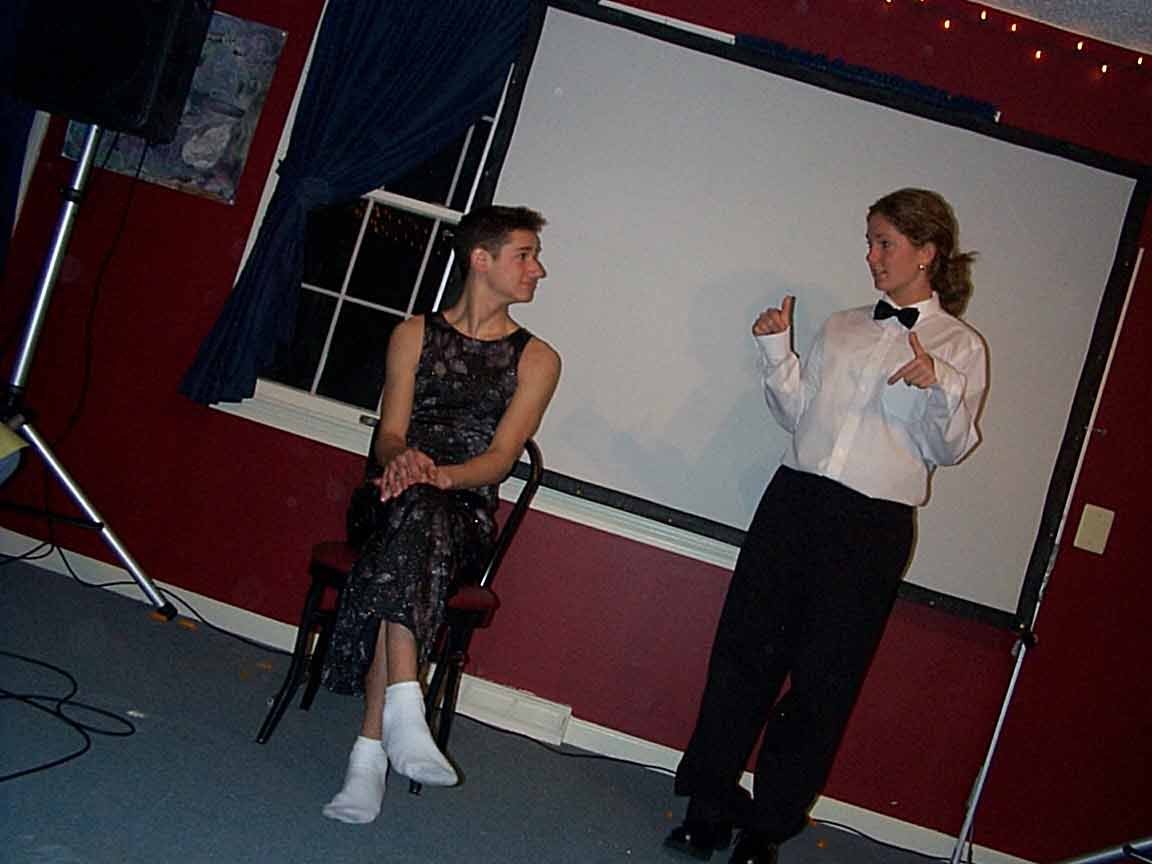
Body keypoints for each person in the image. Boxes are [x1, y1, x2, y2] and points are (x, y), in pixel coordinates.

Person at [665, 188, 988, 864]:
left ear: (927, 253)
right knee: (743, 657)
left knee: (822, 682)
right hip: (794, 504)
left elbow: (951, 448)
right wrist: (776, 354)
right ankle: (708, 806)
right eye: (869, 241)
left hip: (872, 527)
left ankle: (766, 828)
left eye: (885, 243)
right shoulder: (842, 326)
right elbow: (797, 417)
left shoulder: (961, 347)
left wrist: (938, 384)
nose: (871, 256)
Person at [319, 204, 561, 824]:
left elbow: (501, 459)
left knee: (417, 528)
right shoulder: (413, 334)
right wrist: (403, 460)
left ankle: (370, 751)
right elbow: (389, 435)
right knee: (412, 520)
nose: (538, 269)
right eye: (525, 256)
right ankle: (403, 713)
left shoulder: (537, 359)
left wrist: (439, 476)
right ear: (481, 259)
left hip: (463, 514)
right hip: (388, 496)